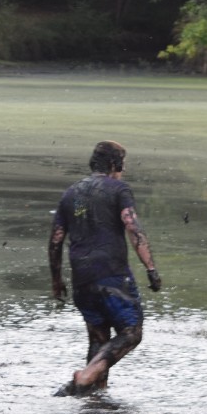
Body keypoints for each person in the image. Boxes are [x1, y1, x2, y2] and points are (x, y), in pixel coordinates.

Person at [49, 141, 161, 395]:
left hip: (81, 278)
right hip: (111, 274)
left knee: (98, 339)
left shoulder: (71, 193)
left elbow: (55, 241)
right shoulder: (118, 189)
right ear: (114, 165)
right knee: (132, 332)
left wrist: (56, 280)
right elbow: (134, 229)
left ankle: (94, 399)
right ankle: (86, 377)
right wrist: (151, 269)